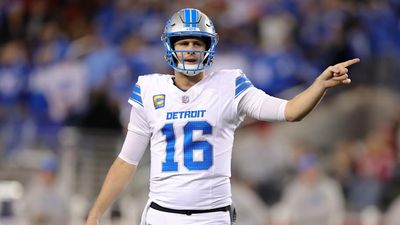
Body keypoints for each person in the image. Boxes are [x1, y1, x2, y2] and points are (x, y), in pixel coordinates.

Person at [85, 8, 360, 225]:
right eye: (184, 42)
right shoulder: (149, 89)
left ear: (208, 47)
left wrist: (319, 86)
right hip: (161, 215)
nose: (191, 49)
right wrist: (95, 213)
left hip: (213, 215)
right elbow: (126, 161)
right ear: (170, 46)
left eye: (197, 42)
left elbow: (289, 111)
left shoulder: (230, 84)